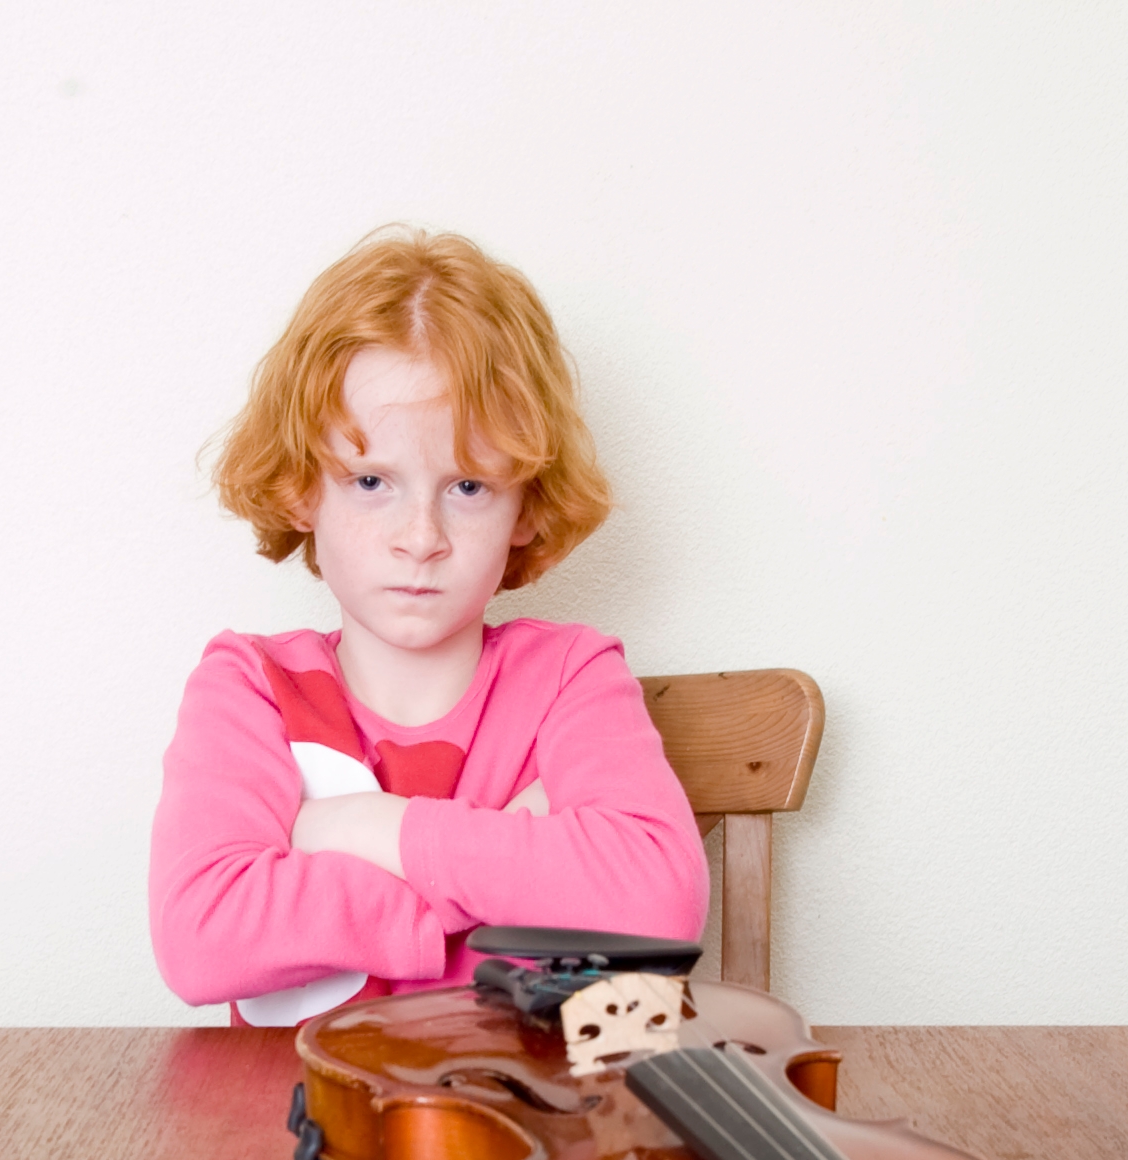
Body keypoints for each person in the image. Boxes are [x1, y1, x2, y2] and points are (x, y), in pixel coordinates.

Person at [149, 228, 708, 1024]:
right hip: (288, 1131)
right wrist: (484, 892)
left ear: (526, 504)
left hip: (524, 1132)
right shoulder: (250, 687)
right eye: (372, 479)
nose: (421, 536)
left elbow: (660, 902)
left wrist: (362, 828)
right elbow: (201, 937)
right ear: (303, 490)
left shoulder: (571, 677)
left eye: (469, 487)